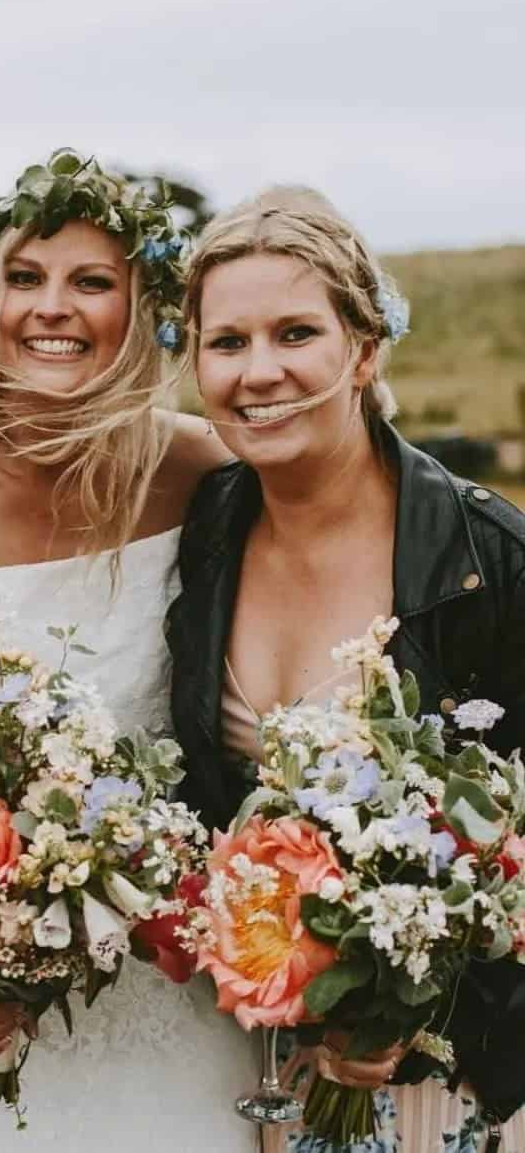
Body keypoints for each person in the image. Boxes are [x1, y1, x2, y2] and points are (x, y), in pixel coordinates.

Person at [0, 149, 261, 1152]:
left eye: (90, 282)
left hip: (173, 986)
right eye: (23, 278)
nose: (51, 308)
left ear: (141, 306)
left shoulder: (199, 467)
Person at [167, 185, 525, 1150]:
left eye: (295, 334)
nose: (259, 372)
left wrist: (415, 1001)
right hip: (251, 1069)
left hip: (447, 1081)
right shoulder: (204, 536)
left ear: (364, 350)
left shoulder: (487, 557)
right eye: (226, 342)